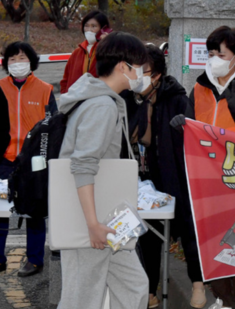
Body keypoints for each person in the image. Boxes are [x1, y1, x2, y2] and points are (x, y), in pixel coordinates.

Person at [171, 25, 235, 309]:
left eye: (220, 53)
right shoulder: (200, 87)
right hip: (207, 181)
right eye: (210, 52)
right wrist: (181, 126)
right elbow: (193, 126)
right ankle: (222, 300)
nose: (213, 58)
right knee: (211, 244)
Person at [57, 32, 149, 309]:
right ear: (124, 67)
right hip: (92, 219)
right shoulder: (102, 106)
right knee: (82, 297)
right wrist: (93, 225)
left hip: (106, 217)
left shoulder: (99, 99)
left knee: (133, 286)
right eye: (141, 67)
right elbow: (83, 165)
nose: (143, 74)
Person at [122, 44, 205, 308]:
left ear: (156, 75)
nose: (135, 76)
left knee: (189, 232)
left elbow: (192, 140)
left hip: (177, 177)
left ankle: (198, 284)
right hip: (146, 178)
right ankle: (149, 291)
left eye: (141, 71)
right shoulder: (129, 97)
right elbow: (135, 137)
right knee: (148, 237)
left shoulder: (178, 98)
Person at [0, 41, 57, 277]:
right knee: (1, 210)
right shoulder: (0, 87)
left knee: (34, 212)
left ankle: (34, 259)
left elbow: (53, 126)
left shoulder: (45, 89)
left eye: (22, 58)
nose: (17, 63)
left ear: (31, 61)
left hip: (35, 162)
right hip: (5, 158)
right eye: (12, 59)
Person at [60, 10, 110, 94]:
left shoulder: (108, 51)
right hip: (74, 101)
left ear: (103, 29)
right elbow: (66, 79)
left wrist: (107, 44)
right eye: (86, 26)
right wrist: (65, 94)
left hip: (97, 100)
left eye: (93, 26)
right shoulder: (77, 52)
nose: (89, 30)